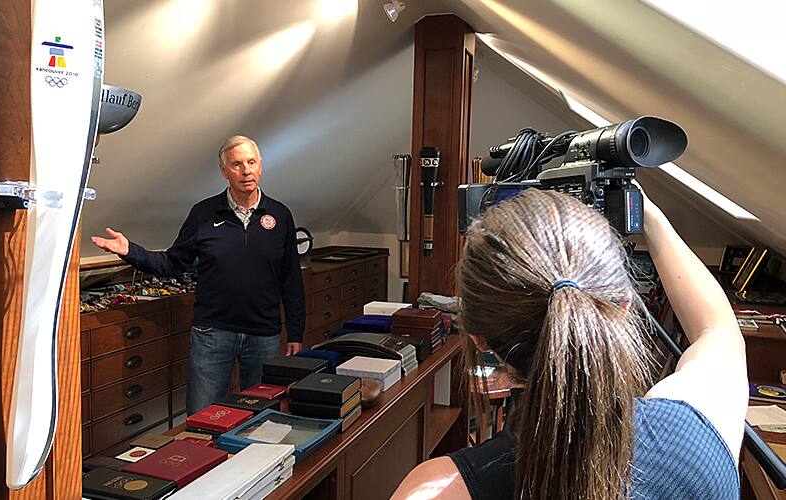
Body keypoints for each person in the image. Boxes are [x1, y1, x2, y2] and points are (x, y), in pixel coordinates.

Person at [393, 188, 747, 499]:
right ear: (624, 308)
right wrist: (647, 215)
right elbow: (716, 329)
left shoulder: (437, 489)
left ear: (478, 337)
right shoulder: (698, 429)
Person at [91, 135, 305, 415]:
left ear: (261, 166)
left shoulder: (280, 216)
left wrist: (296, 332)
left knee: (263, 417)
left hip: (264, 335)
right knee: (203, 418)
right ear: (224, 171)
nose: (246, 171)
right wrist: (131, 251)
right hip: (213, 333)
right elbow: (172, 263)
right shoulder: (204, 213)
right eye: (237, 164)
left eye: (251, 162)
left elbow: (291, 279)